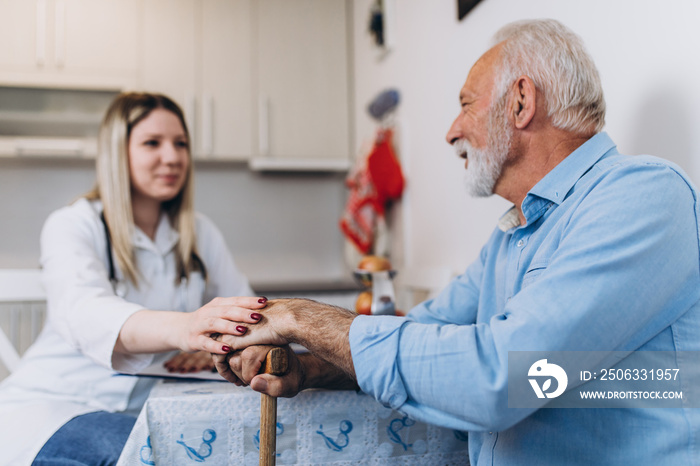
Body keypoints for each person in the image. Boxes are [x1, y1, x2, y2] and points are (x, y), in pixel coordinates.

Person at [212, 19, 700, 465]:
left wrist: (301, 318)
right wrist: (311, 367)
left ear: (521, 101)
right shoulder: (512, 234)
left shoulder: (644, 195)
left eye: (466, 104)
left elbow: (502, 377)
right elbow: (426, 334)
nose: (452, 131)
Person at [0, 92, 266, 465]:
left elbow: (246, 310)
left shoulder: (200, 234)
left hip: (145, 412)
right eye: (152, 143)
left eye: (181, 144)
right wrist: (188, 329)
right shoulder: (74, 224)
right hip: (53, 407)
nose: (172, 157)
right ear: (117, 153)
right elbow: (83, 311)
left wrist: (215, 347)